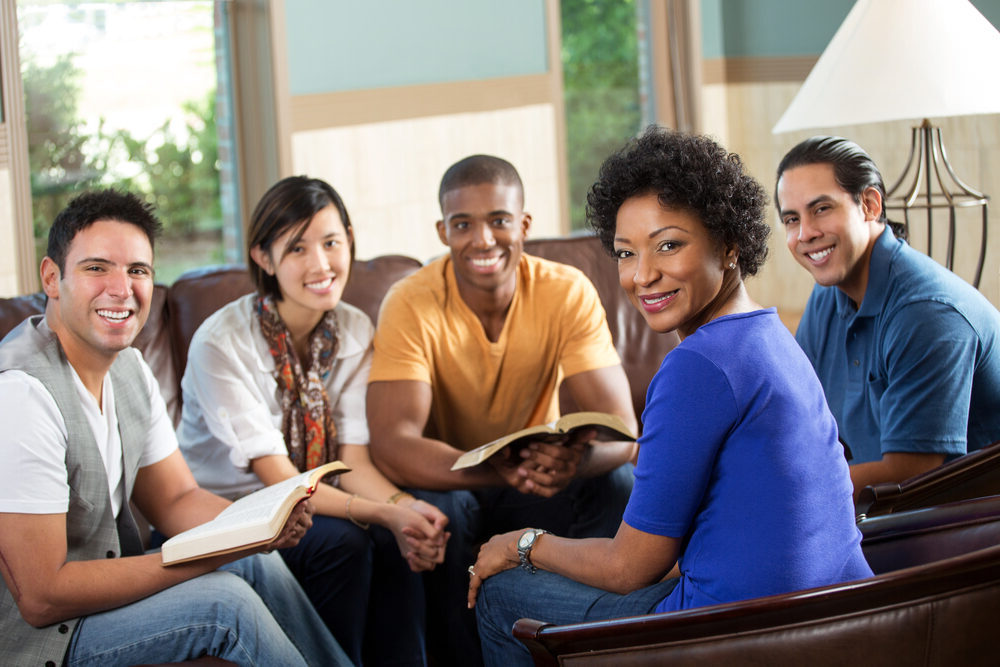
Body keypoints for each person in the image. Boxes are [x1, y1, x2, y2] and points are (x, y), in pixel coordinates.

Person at [468, 128, 873, 666]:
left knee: (501, 597)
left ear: (729, 244)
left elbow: (628, 568)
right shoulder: (770, 335)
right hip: (838, 618)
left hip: (733, 633)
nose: (642, 276)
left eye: (668, 245)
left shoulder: (697, 366)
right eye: (625, 253)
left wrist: (520, 544)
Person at [0, 189, 349, 666]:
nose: (122, 289)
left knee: (255, 559)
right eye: (97, 268)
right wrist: (204, 560)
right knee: (226, 606)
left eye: (138, 270)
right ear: (52, 278)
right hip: (41, 639)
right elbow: (41, 597)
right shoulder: (22, 395)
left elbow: (176, 500)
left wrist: (257, 527)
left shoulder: (130, 369)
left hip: (96, 604)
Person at [367, 155, 639, 665]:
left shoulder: (565, 290)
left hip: (537, 483)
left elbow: (623, 433)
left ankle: (601, 650)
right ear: (443, 231)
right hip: (453, 481)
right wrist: (494, 468)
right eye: (463, 224)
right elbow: (392, 441)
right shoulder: (411, 300)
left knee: (617, 484)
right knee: (443, 512)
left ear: (524, 225)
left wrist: (571, 464)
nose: (483, 239)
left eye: (498, 220)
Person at [177, 175, 449, 666]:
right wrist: (386, 513)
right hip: (225, 513)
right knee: (342, 542)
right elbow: (279, 481)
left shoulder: (353, 329)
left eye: (331, 242)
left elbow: (354, 460)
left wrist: (406, 509)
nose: (321, 264)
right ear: (263, 257)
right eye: (297, 249)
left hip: (306, 502)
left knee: (397, 536)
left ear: (349, 238)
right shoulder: (221, 343)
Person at [776, 136, 1000, 498]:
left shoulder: (927, 314)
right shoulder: (828, 293)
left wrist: (787, 488)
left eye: (821, 209)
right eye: (791, 219)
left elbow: (910, 472)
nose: (806, 234)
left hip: (965, 521)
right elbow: (801, 412)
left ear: (869, 204)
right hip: (891, 510)